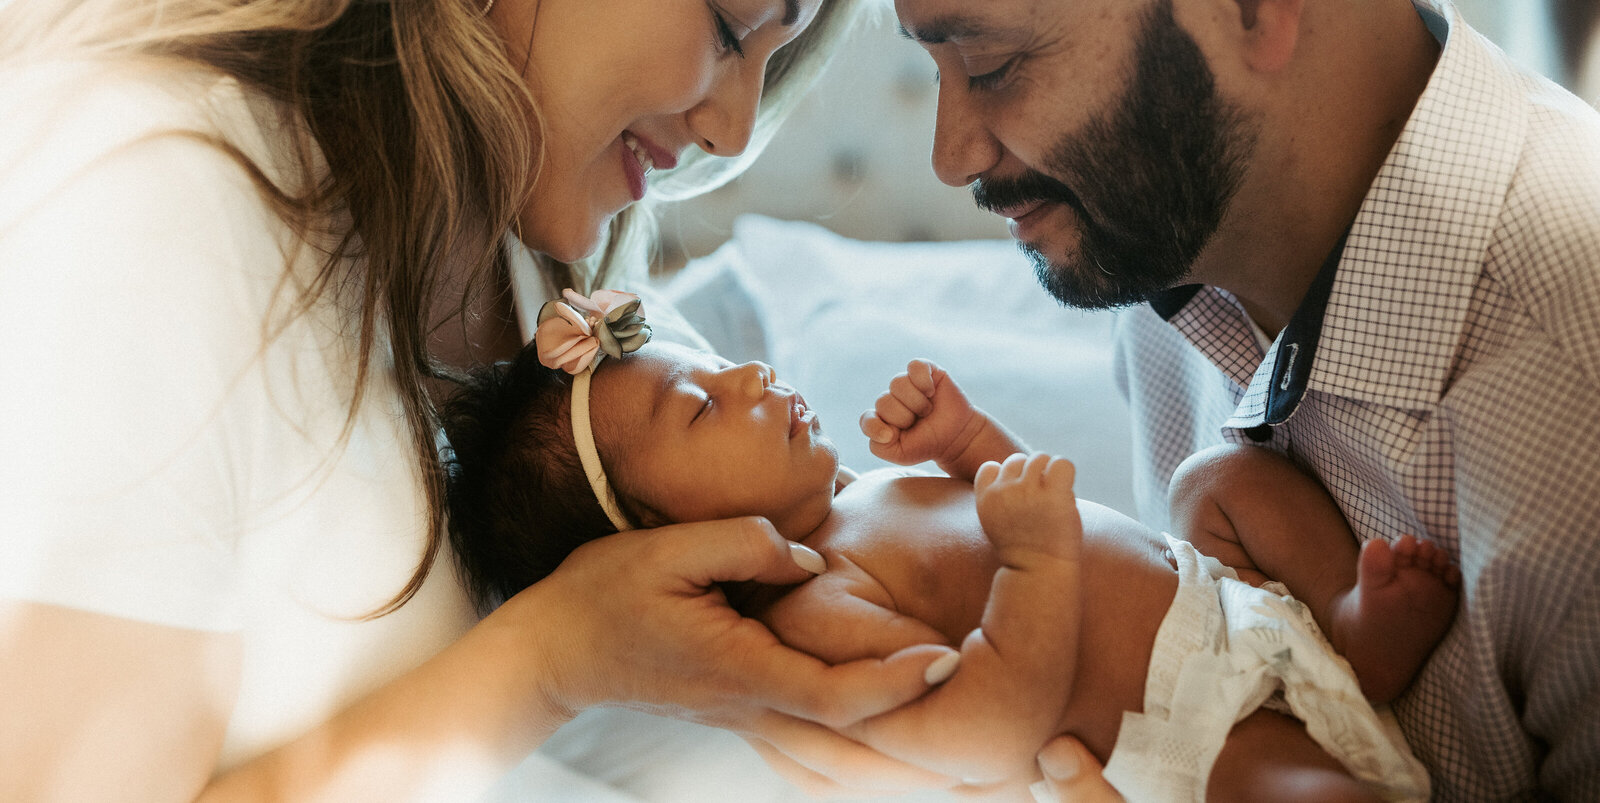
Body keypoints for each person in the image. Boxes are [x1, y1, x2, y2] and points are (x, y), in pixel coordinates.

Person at [0, 0, 977, 798]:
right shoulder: (158, 208)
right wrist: (547, 662)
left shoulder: (529, 230)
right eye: (732, 23)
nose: (734, 128)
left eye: (772, 58)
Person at [881, 0, 1600, 798]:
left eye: (991, 64)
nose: (952, 156)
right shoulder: (1159, 250)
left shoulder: (1570, 391)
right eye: (934, 68)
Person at [441, 289, 1458, 800]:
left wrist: (970, 445)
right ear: (664, 537)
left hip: (1226, 600)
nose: (750, 373)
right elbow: (977, 730)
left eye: (721, 359)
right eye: (703, 404)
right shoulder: (815, 604)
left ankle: (1351, 627)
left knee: (1214, 479)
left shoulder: (864, 492)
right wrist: (1036, 563)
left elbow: (1034, 501)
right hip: (1194, 733)